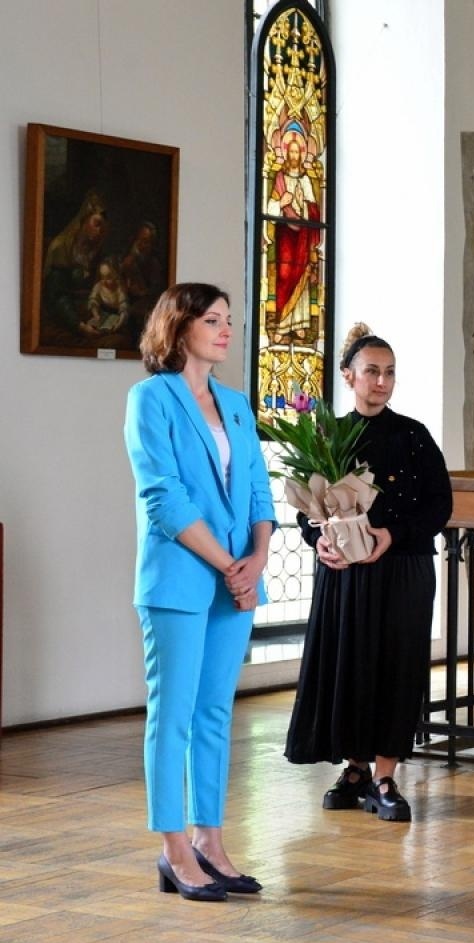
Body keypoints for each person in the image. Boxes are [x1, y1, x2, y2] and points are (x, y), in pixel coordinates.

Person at [124, 282, 275, 901]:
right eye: (212, 319)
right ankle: (174, 850)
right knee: (173, 716)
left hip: (236, 579)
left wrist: (258, 557)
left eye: (229, 321)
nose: (225, 329)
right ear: (179, 327)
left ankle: (211, 839)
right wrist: (227, 564)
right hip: (181, 580)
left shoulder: (236, 404)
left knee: (216, 714)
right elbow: (163, 496)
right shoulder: (150, 399)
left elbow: (260, 489)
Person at [285, 323, 453, 821]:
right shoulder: (327, 435)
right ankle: (355, 768)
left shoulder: (414, 437)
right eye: (372, 372)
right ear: (348, 376)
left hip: (403, 571)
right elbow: (306, 510)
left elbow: (439, 506)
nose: (382, 381)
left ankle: (385, 776)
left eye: (390, 373)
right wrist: (321, 542)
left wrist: (390, 536)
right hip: (345, 577)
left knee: (396, 669)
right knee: (349, 668)